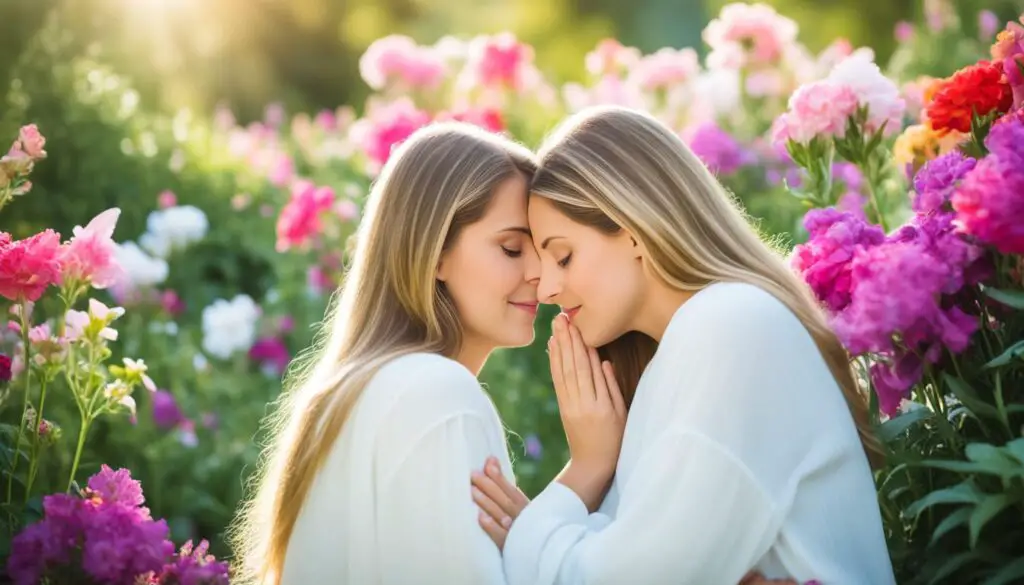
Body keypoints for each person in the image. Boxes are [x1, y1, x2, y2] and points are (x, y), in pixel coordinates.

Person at [472, 105, 896, 585]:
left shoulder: (732, 327)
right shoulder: (677, 353)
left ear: (633, 230)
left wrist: (533, 537)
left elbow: (633, 574)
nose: (546, 288)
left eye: (563, 256)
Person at [228, 122, 541, 585]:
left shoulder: (348, 394)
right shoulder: (437, 393)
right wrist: (558, 518)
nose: (539, 271)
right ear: (434, 252)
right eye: (512, 247)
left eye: (545, 248)